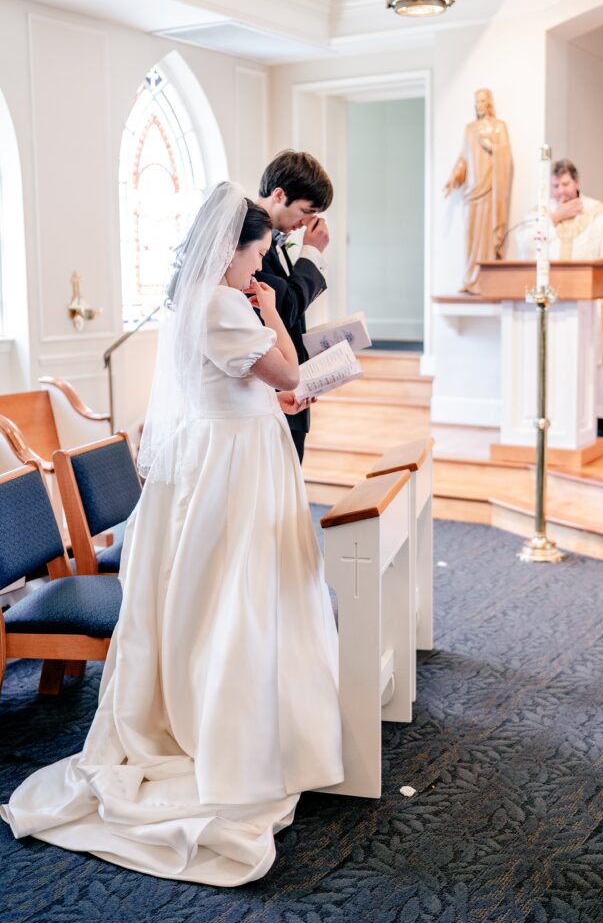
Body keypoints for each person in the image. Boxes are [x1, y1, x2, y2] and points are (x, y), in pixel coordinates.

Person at [1, 183, 343, 886]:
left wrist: (274, 381)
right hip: (232, 466)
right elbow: (288, 370)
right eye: (255, 256)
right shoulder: (223, 303)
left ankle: (254, 720)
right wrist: (276, 313)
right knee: (235, 598)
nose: (258, 270)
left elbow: (254, 384)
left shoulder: (206, 301)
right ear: (230, 250)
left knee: (232, 594)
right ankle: (230, 733)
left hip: (233, 450)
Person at [256, 150, 334, 462]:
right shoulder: (249, 240)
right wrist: (312, 253)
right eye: (305, 211)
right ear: (279, 195)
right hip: (271, 393)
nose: (305, 224)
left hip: (290, 394)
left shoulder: (273, 238)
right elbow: (284, 307)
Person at [549, 159, 603, 439]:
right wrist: (554, 218)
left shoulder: (599, 212)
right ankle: (559, 419)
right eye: (555, 186)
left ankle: (596, 420)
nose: (561, 191)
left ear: (577, 183)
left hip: (588, 303)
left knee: (590, 361)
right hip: (554, 305)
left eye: (566, 184)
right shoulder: (543, 214)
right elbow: (526, 244)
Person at [443, 88, 513, 293]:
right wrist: (454, 177)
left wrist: (491, 145)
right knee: (470, 235)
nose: (479, 105)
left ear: (489, 103)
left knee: (488, 234)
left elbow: (505, 156)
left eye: (482, 101)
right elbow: (464, 158)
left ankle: (487, 279)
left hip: (490, 188)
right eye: (476, 101)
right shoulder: (469, 129)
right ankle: (470, 278)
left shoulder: (499, 128)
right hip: (472, 190)